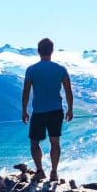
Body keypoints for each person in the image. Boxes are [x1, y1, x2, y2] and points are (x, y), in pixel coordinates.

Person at [22, 38, 73, 181]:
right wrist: (70, 109)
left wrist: (24, 110)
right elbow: (68, 91)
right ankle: (54, 172)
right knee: (55, 142)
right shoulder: (60, 69)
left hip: (38, 112)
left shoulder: (31, 70)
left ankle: (39, 171)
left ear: (38, 51)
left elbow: (26, 92)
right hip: (56, 110)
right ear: (52, 51)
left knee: (34, 143)